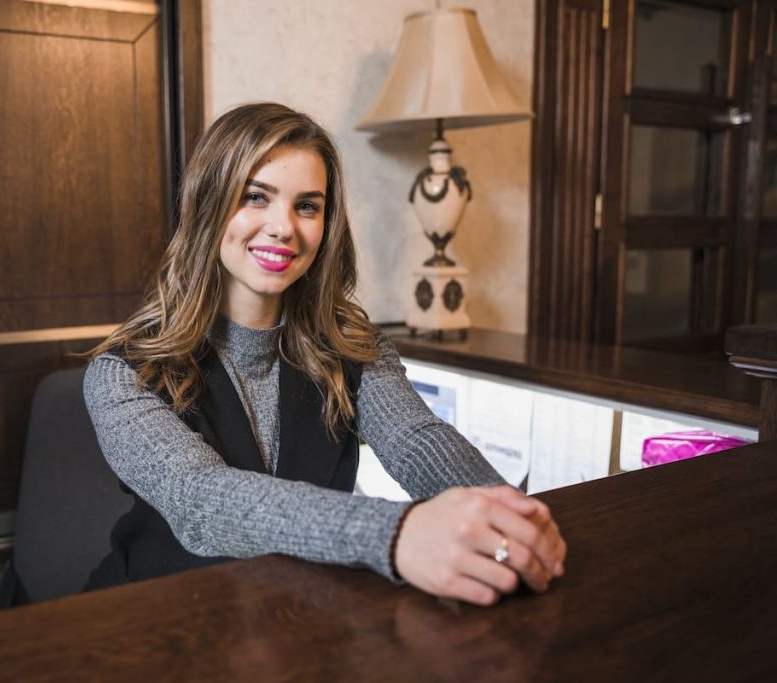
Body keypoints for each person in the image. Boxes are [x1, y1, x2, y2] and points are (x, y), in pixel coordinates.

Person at [83, 102, 566, 605]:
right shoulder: (122, 374)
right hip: (158, 618)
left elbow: (416, 440)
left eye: (307, 206)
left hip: (297, 615)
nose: (284, 227)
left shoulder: (353, 346)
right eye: (256, 197)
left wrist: (505, 515)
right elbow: (202, 500)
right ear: (208, 204)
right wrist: (397, 534)